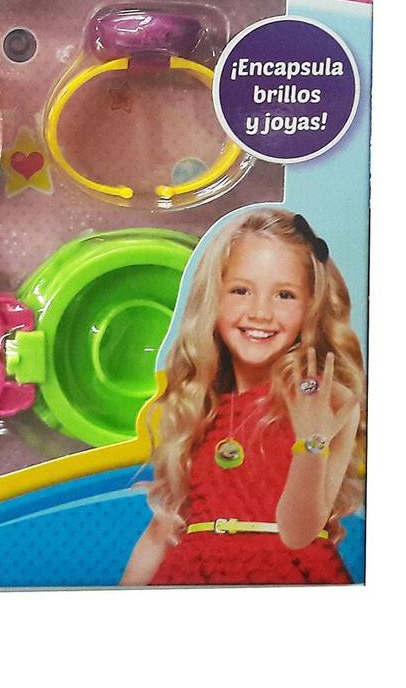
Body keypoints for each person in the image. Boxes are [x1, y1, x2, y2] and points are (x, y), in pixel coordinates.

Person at [121, 208, 365, 585]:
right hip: (193, 577)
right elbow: (161, 532)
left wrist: (311, 442)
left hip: (288, 579)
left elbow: (299, 531)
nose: (261, 312)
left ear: (311, 307)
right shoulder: (198, 405)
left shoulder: (324, 398)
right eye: (240, 290)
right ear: (213, 298)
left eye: (285, 295)